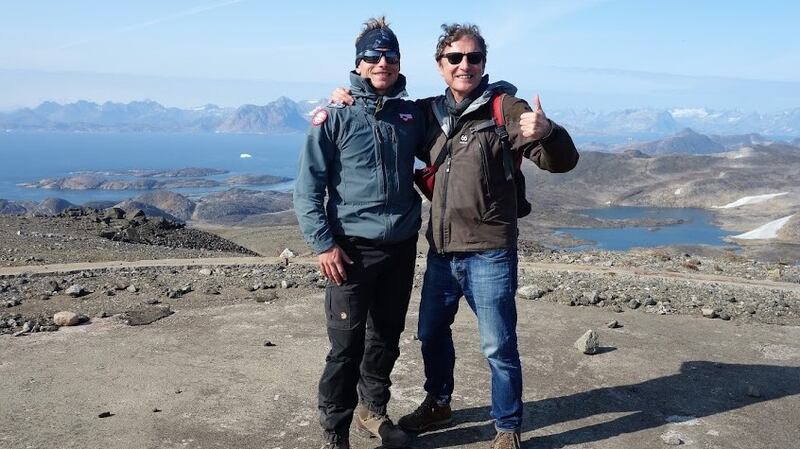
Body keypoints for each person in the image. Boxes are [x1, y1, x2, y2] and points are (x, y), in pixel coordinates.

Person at [329, 22, 579, 449]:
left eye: (474, 57)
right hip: (442, 251)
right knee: (430, 334)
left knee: (498, 345)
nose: (465, 65)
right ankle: (439, 401)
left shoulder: (506, 109)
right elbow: (386, 117)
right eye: (455, 58)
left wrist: (549, 133)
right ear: (440, 65)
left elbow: (560, 162)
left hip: (490, 252)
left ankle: (506, 427)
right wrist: (349, 97)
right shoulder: (428, 113)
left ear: (484, 63)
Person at [293, 17, 427, 449]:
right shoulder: (335, 115)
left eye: (389, 55)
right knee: (345, 348)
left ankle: (374, 412)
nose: (382, 62)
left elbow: (454, 130)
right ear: (359, 62)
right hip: (350, 250)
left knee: (385, 338)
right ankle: (335, 431)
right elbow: (307, 188)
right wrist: (324, 244)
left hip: (401, 247)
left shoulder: (411, 115)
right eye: (373, 55)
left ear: (399, 61)